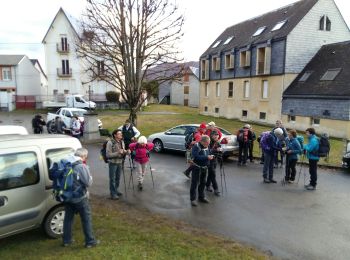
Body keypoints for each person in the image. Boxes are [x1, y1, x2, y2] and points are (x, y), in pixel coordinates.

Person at [62, 148, 99, 248]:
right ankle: (90, 241)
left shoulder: (67, 163)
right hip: (79, 197)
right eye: (85, 157)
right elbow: (88, 183)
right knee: (86, 219)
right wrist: (90, 177)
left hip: (67, 196)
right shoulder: (81, 166)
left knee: (68, 219)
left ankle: (66, 240)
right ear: (83, 156)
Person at [190, 135, 214, 206]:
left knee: (203, 182)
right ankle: (193, 199)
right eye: (207, 143)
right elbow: (196, 157)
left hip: (205, 167)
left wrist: (212, 155)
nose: (208, 144)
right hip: (196, 167)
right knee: (195, 183)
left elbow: (209, 152)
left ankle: (201, 197)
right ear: (202, 141)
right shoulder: (196, 146)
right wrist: (207, 157)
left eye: (209, 142)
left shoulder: (207, 146)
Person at [106, 129, 128, 200]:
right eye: (119, 134)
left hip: (120, 162)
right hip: (112, 163)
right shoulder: (110, 143)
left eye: (121, 133)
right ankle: (113, 194)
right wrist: (118, 153)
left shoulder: (122, 141)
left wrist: (127, 151)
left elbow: (123, 151)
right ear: (115, 135)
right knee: (112, 179)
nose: (121, 135)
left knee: (118, 178)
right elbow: (108, 155)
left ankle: (116, 190)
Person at [206, 131, 221, 196]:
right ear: (211, 136)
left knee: (210, 174)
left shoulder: (218, 143)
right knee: (213, 174)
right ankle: (216, 189)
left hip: (214, 161)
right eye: (215, 136)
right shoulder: (208, 142)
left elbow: (218, 153)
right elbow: (208, 151)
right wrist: (216, 150)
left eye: (217, 136)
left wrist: (221, 152)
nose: (216, 137)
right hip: (209, 161)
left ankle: (207, 185)